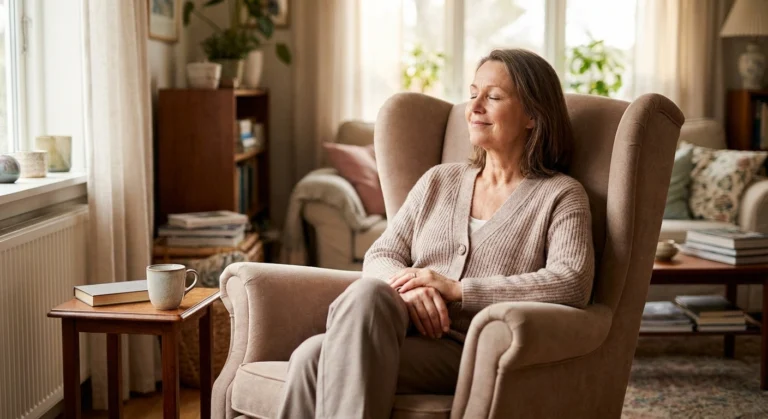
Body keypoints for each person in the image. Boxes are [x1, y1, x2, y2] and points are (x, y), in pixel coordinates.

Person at [276, 48, 595, 419]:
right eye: (473, 93)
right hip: (402, 332)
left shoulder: (561, 195)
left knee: (316, 356)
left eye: (492, 97)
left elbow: (571, 282)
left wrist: (457, 290)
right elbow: (382, 255)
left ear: (533, 115)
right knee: (315, 351)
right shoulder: (439, 180)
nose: (474, 107)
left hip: (472, 349)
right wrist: (416, 291)